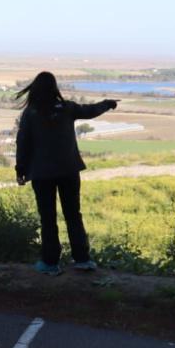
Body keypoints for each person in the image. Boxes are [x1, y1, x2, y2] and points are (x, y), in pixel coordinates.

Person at [14, 72, 117, 274]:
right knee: (73, 215)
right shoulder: (68, 108)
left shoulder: (30, 113)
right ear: (55, 88)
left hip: (42, 173)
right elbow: (90, 110)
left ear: (35, 89)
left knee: (48, 218)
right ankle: (82, 259)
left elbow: (23, 143)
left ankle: (50, 263)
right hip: (69, 170)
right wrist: (108, 103)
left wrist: (21, 170)